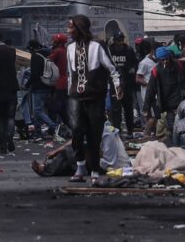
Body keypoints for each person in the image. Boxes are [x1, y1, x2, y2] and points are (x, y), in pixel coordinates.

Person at [65, 15, 121, 182]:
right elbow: (70, 73)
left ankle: (95, 170)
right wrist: (69, 92)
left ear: (79, 28)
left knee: (94, 134)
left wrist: (118, 86)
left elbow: (112, 69)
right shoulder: (70, 48)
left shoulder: (97, 46)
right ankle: (80, 167)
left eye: (71, 27)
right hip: (75, 96)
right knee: (76, 131)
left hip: (95, 96)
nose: (68, 30)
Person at [143, 46, 185, 146]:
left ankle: (182, 145)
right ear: (159, 60)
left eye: (167, 59)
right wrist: (146, 107)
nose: (165, 61)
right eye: (163, 60)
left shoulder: (178, 65)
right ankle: (175, 147)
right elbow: (150, 90)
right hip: (168, 103)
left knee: (182, 126)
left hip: (180, 100)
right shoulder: (156, 70)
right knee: (172, 126)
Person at [108, 31, 138, 137]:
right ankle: (117, 131)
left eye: (121, 40)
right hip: (114, 84)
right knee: (115, 109)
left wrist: (133, 69)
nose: (120, 42)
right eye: (118, 40)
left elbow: (135, 63)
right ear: (114, 40)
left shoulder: (129, 50)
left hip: (127, 84)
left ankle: (130, 131)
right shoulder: (109, 50)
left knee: (128, 108)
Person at [27, 39, 58, 137]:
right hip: (50, 85)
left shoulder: (36, 56)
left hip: (38, 87)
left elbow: (35, 73)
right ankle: (37, 131)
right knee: (45, 110)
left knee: (37, 110)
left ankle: (54, 126)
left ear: (32, 48)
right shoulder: (49, 53)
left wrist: (28, 84)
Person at [48, 34, 71, 130]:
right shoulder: (66, 51)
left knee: (57, 108)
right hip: (65, 82)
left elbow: (48, 61)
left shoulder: (57, 51)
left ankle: (53, 128)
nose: (52, 42)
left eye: (54, 41)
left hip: (59, 83)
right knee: (62, 107)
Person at [135, 39, 157, 133]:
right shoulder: (144, 63)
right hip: (148, 93)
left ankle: (152, 135)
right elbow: (138, 78)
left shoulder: (158, 61)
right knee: (152, 117)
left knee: (155, 117)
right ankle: (146, 136)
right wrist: (150, 84)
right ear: (152, 50)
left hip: (157, 93)